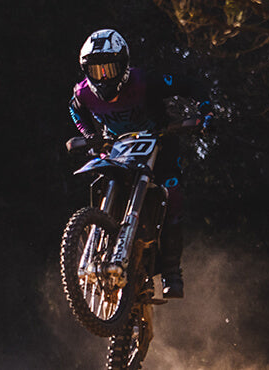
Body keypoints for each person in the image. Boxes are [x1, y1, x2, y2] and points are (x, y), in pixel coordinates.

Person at [68, 29, 214, 299]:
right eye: (96, 70)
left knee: (174, 196)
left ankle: (172, 271)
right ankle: (103, 238)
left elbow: (190, 84)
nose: (103, 77)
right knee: (100, 179)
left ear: (123, 65)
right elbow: (75, 110)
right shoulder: (83, 93)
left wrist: (205, 112)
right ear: (86, 70)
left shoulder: (145, 81)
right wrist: (90, 136)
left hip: (160, 143)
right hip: (117, 147)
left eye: (109, 69)